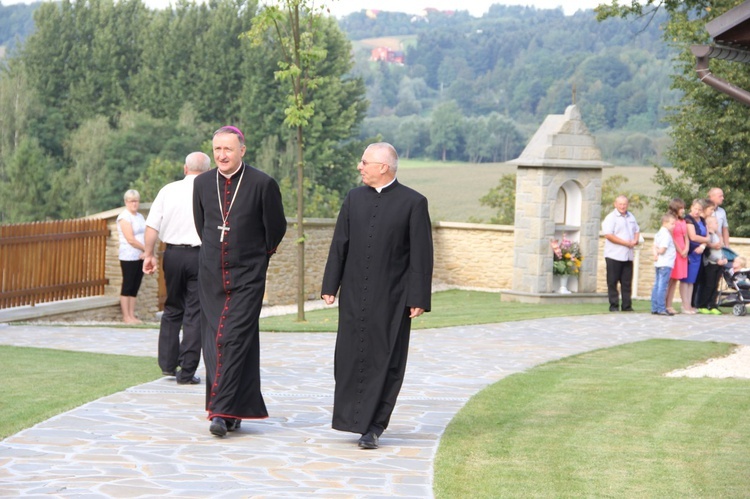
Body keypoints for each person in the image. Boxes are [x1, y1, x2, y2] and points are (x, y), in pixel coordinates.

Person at [321, 142, 434, 450]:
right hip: (355, 294)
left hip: (393, 298)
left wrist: (418, 297)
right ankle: (351, 420)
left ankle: (374, 426)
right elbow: (339, 244)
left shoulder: (413, 202)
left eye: (365, 162)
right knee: (349, 357)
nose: (360, 166)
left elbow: (421, 255)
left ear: (383, 167)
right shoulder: (353, 198)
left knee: (386, 360)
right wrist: (330, 285)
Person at [192, 126, 287, 437]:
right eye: (217, 149)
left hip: (247, 277)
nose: (222, 155)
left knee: (230, 337)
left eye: (228, 149)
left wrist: (257, 258)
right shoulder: (203, 184)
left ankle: (218, 411)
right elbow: (201, 223)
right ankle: (235, 410)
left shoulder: (263, 184)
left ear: (242, 150)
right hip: (211, 277)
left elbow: (276, 228)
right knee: (214, 341)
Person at [143, 152, 211, 385]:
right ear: (208, 170)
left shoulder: (167, 190)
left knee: (172, 306)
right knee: (195, 311)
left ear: (185, 168)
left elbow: (152, 226)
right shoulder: (211, 190)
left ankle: (168, 364)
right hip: (200, 256)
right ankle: (187, 370)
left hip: (172, 254)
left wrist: (148, 254)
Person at [602, 195, 640, 312]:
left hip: (628, 256)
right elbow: (609, 235)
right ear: (615, 204)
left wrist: (635, 240)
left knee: (627, 282)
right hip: (614, 255)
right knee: (612, 282)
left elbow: (637, 230)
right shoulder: (610, 218)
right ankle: (613, 306)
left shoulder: (631, 216)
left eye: (624, 204)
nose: (623, 206)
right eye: (620, 204)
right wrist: (625, 243)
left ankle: (627, 306)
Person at [117, 189, 146, 324]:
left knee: (135, 285)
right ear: (126, 202)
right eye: (131, 201)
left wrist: (146, 251)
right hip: (129, 255)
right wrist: (146, 249)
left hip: (140, 255)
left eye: (136, 201)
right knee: (128, 284)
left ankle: (132, 315)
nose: (134, 204)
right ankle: (126, 316)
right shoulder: (124, 217)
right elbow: (130, 239)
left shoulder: (139, 216)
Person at [696, 215, 728, 315]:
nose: (717, 224)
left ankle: (712, 305)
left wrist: (724, 258)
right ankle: (703, 305)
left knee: (715, 285)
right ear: (709, 224)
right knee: (708, 285)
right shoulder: (708, 235)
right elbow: (707, 252)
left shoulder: (717, 235)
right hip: (711, 264)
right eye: (715, 223)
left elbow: (721, 249)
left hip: (719, 264)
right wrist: (717, 259)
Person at [683, 198, 709, 314]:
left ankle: (690, 304)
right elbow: (693, 237)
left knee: (692, 280)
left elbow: (707, 237)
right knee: (686, 280)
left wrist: (703, 245)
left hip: (699, 253)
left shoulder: (703, 220)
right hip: (690, 252)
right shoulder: (688, 220)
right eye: (695, 209)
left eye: (699, 209)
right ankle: (685, 305)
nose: (697, 212)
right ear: (691, 207)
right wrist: (705, 240)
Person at [666, 199, 689, 314]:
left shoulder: (683, 221)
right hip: (675, 251)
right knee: (670, 279)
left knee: (675, 280)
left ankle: (669, 304)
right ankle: (665, 304)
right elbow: (671, 237)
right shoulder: (671, 220)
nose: (683, 210)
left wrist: (686, 248)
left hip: (683, 251)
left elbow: (686, 236)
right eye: (681, 208)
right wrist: (680, 250)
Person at [651, 213, 677, 316]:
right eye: (672, 224)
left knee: (657, 285)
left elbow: (654, 246)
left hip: (658, 263)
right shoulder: (666, 234)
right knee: (662, 286)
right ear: (665, 223)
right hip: (665, 263)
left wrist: (655, 254)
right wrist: (659, 251)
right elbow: (662, 250)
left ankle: (655, 307)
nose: (674, 226)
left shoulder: (658, 233)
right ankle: (661, 308)